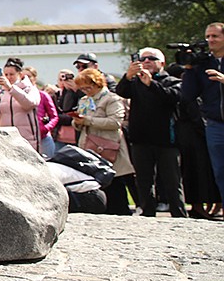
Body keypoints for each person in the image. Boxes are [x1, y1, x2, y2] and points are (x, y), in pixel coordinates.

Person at [117, 48, 185, 217]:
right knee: (143, 180)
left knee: (172, 181)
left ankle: (179, 215)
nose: (146, 61)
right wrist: (128, 76)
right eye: (143, 59)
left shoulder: (172, 81)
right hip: (141, 139)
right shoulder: (136, 82)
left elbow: (172, 97)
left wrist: (151, 84)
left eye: (151, 59)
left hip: (166, 140)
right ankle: (148, 214)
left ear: (162, 63)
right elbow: (121, 92)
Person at [73, 68, 135, 215]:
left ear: (97, 84)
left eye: (88, 87)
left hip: (109, 147)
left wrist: (88, 121)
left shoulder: (111, 99)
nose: (86, 91)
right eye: (82, 88)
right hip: (89, 147)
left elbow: (115, 122)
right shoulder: (84, 100)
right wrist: (77, 122)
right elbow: (80, 121)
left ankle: (122, 213)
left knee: (115, 185)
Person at [179, 23, 224, 205]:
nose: (210, 40)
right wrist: (189, 68)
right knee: (220, 170)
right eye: (208, 37)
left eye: (215, 36)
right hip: (215, 125)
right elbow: (188, 95)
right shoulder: (203, 63)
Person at [0, 58, 41, 152]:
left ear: (20, 75)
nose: (8, 77)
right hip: (6, 139)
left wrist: (10, 88)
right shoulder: (1, 92)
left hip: (26, 138)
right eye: (6, 74)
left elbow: (29, 104)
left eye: (12, 74)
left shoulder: (29, 89)